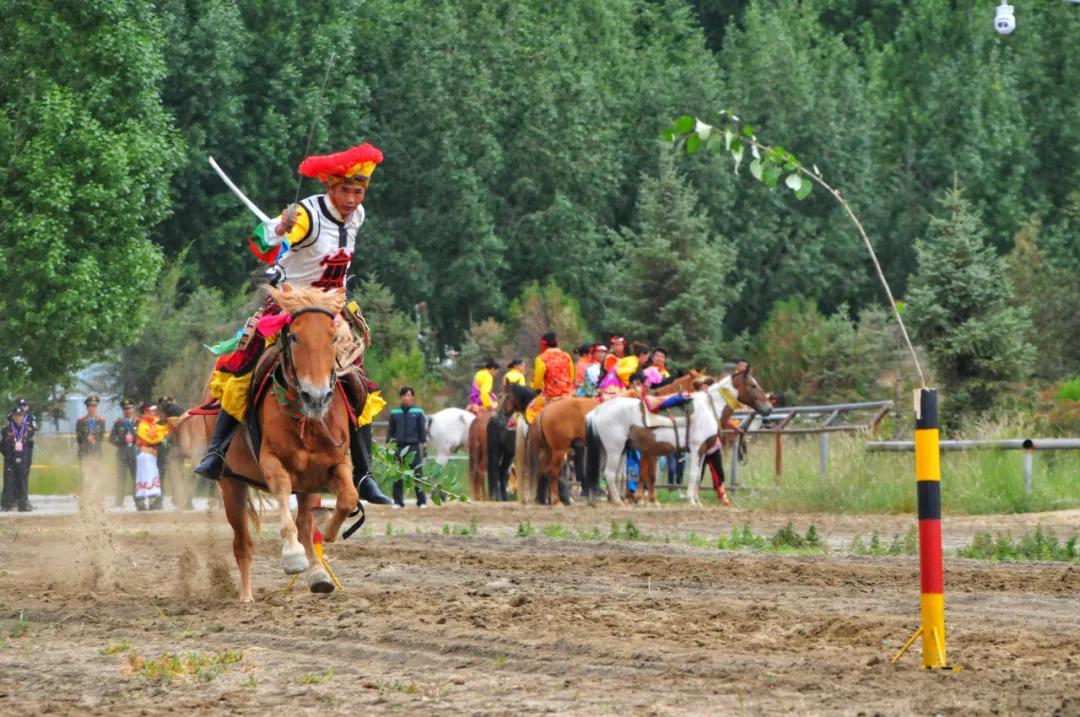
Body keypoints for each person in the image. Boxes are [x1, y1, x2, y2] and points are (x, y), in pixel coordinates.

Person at [194, 143, 391, 506]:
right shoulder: (306, 216)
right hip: (290, 305)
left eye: (358, 192)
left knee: (357, 381)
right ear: (330, 187)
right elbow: (262, 244)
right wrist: (279, 228)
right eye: (345, 191)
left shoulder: (358, 216)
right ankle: (218, 452)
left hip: (332, 310)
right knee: (242, 366)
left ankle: (363, 473)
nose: (351, 200)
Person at [386, 387, 427, 508]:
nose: (407, 397)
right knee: (398, 474)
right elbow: (391, 431)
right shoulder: (395, 413)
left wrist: (424, 444)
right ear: (401, 397)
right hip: (398, 447)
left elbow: (421, 430)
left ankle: (421, 501)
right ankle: (398, 501)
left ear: (412, 397)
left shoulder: (418, 412)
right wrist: (388, 444)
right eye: (405, 395)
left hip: (413, 447)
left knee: (417, 474)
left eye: (409, 395)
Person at [525, 332, 574, 423]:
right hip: (568, 394)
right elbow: (571, 375)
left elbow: (538, 382)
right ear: (556, 343)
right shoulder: (567, 356)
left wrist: (535, 387)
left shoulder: (541, 358)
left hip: (551, 396)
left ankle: (536, 431)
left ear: (544, 345)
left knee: (530, 410)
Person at [135, 403, 168, 510]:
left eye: (154, 411)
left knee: (153, 476)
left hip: (153, 454)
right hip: (144, 453)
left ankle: (153, 500)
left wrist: (167, 428)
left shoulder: (153, 422)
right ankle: (141, 500)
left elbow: (162, 430)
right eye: (151, 411)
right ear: (145, 412)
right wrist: (162, 435)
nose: (154, 413)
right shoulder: (141, 423)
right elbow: (151, 437)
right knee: (144, 476)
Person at [1, 407, 34, 511]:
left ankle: (23, 504)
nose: (18, 417)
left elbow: (30, 446)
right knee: (9, 482)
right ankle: (8, 503)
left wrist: (27, 459)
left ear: (23, 416)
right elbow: (2, 446)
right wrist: (8, 456)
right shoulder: (6, 430)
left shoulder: (28, 429)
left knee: (23, 482)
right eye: (16, 415)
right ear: (13, 416)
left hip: (23, 459)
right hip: (10, 460)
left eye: (20, 415)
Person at [109, 399, 139, 508]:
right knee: (121, 478)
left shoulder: (138, 422)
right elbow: (111, 438)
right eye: (125, 409)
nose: (128, 411)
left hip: (135, 452)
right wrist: (122, 440)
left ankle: (138, 500)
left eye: (130, 408)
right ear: (123, 410)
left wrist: (134, 439)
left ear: (133, 409)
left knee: (136, 478)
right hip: (122, 452)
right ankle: (119, 502)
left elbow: (143, 436)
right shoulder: (119, 423)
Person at [75, 395, 106, 492]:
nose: (93, 408)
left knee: (97, 475)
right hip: (84, 453)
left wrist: (94, 440)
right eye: (91, 406)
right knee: (85, 476)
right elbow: (79, 438)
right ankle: (85, 496)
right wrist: (86, 440)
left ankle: (97, 496)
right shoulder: (81, 421)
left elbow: (101, 437)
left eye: (94, 406)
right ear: (87, 408)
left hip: (96, 452)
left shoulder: (101, 421)